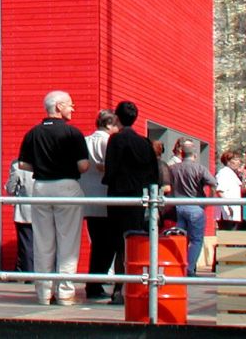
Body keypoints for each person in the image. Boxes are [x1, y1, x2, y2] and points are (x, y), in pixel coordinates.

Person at [18, 89, 89, 306]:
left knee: (42, 241)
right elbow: (83, 166)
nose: (73, 108)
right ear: (58, 107)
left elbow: (23, 164)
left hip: (40, 187)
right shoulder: (73, 133)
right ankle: (65, 293)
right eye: (70, 104)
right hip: (67, 186)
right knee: (68, 242)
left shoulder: (33, 133)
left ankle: (43, 292)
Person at [102, 100, 165, 306]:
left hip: (119, 195)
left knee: (119, 242)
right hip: (139, 197)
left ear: (117, 118)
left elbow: (110, 171)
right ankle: (135, 286)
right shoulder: (145, 143)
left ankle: (120, 288)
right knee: (135, 239)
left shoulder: (116, 140)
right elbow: (154, 174)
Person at [80, 109, 118, 301]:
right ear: (109, 125)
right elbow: (108, 166)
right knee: (108, 245)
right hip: (106, 197)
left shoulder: (85, 141)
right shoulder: (108, 142)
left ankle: (94, 282)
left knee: (97, 243)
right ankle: (95, 283)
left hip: (87, 197)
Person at [168, 141, 217, 275]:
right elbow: (213, 184)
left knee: (180, 238)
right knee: (196, 240)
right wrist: (209, 200)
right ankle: (189, 269)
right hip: (195, 207)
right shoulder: (199, 168)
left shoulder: (173, 168)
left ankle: (178, 266)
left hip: (178, 206)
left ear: (181, 153)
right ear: (194, 155)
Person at [5, 158, 34, 274]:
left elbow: (10, 188)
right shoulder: (47, 159)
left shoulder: (18, 165)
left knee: (26, 243)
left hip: (25, 209)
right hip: (45, 209)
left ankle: (29, 273)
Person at [215, 151, 243, 229]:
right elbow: (220, 191)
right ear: (228, 161)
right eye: (236, 159)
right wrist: (229, 206)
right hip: (227, 213)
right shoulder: (224, 173)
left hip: (232, 213)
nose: (239, 162)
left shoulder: (232, 173)